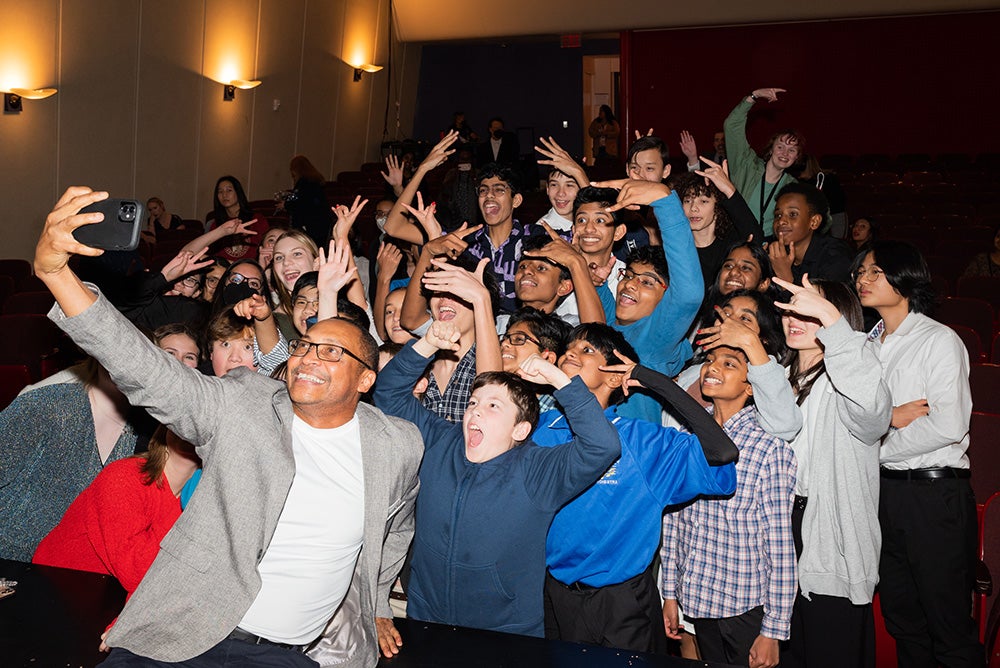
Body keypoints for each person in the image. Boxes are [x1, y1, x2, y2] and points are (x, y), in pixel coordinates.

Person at [34, 186, 423, 667]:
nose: (307, 358)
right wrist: (57, 275)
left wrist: (379, 602)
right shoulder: (245, 403)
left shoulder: (396, 444)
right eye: (304, 346)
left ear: (366, 379)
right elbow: (148, 371)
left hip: (284, 656)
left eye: (330, 352)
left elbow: (396, 527)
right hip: (186, 633)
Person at [373, 319, 622, 639]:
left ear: (520, 429)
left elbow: (602, 446)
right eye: (473, 402)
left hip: (504, 631)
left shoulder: (538, 470)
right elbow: (388, 393)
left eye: (493, 406)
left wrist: (559, 379)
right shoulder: (441, 441)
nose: (475, 411)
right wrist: (427, 344)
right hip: (426, 616)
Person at [533, 323, 738, 653]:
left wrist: (656, 382)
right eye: (569, 349)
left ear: (614, 377)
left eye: (587, 350)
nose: (570, 353)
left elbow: (721, 452)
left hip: (621, 604)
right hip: (554, 593)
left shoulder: (643, 442)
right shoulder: (542, 430)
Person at [854, 241, 984, 666]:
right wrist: (888, 424)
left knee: (949, 626)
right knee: (902, 619)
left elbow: (948, 425)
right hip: (882, 494)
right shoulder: (864, 345)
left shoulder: (938, 340)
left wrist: (875, 448)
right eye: (860, 272)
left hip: (933, 495)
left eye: (875, 271)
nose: (863, 279)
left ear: (904, 278)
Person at [661, 342, 797, 668]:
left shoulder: (769, 449)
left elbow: (779, 546)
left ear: (750, 388)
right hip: (698, 598)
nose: (712, 367)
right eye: (710, 360)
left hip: (746, 608)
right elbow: (674, 520)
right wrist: (669, 593)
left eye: (729, 364)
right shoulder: (688, 438)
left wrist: (773, 630)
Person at [0, 357, 149, 562]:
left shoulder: (146, 432)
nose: (126, 364)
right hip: (7, 558)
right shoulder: (47, 405)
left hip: (64, 568)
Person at [32, 426, 201, 598]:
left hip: (102, 599)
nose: (194, 428)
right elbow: (137, 573)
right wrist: (189, 515)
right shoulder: (123, 477)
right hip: (54, 591)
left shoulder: (201, 504)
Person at [723, 87, 803, 237]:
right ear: (771, 149)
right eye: (780, 147)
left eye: (792, 150)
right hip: (735, 240)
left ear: (796, 157)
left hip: (768, 245)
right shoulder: (746, 164)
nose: (785, 153)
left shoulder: (793, 187)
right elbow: (732, 126)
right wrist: (755, 95)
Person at [768, 183, 853, 285]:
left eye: (792, 214)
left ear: (814, 222)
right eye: (778, 215)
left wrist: (784, 276)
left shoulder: (835, 257)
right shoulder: (777, 255)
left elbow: (826, 295)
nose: (781, 221)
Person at [207, 176, 267, 261]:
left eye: (229, 190)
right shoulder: (215, 225)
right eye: (220, 192)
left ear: (238, 193)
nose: (224, 195)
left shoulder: (257, 219)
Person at [283, 155, 335, 249]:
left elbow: (297, 202)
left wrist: (285, 204)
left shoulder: (303, 183)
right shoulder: (315, 181)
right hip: (321, 224)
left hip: (309, 226)